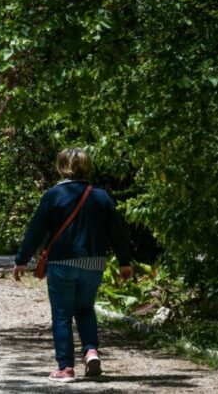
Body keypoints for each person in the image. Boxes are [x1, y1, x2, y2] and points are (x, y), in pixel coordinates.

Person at [12, 148, 133, 383]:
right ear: (88, 166)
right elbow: (117, 232)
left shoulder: (54, 195)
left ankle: (66, 368)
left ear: (61, 166)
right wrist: (125, 262)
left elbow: (36, 230)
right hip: (94, 263)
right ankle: (91, 352)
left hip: (62, 262)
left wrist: (21, 260)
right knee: (85, 309)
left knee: (61, 315)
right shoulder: (101, 196)